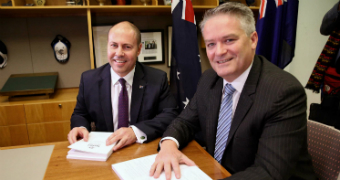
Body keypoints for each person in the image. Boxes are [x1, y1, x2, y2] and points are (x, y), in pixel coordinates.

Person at [150, 2, 316, 180]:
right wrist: (168, 146)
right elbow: (185, 122)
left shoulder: (283, 92)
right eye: (211, 44)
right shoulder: (209, 79)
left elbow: (269, 172)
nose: (219, 52)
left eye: (229, 40)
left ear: (253, 40)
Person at [68, 21, 178, 151]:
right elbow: (80, 114)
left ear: (138, 50)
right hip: (104, 150)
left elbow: (169, 115)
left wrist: (136, 132)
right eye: (114, 45)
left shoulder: (157, 79)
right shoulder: (89, 80)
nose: (119, 53)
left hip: (140, 150)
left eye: (127, 47)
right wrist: (80, 127)